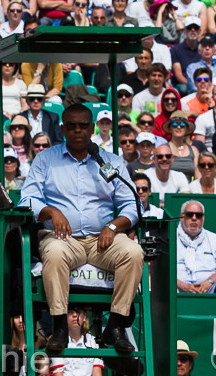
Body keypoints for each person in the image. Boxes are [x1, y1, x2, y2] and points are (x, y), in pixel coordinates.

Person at [19, 102, 143, 353]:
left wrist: (113, 225)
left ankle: (116, 326)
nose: (78, 131)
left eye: (84, 125)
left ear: (93, 128)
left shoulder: (109, 161)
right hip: (63, 238)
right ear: (63, 129)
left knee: (134, 252)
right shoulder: (46, 159)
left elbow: (132, 203)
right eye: (72, 126)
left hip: (103, 240)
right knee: (53, 252)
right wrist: (51, 212)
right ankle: (60, 327)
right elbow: (27, 200)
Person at [175, 201, 216, 294]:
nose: (194, 218)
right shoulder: (170, 238)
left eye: (198, 215)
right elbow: (162, 271)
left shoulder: (215, 239)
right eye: (190, 215)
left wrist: (209, 282)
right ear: (181, 218)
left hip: (209, 288)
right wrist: (183, 286)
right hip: (178, 288)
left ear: (203, 219)